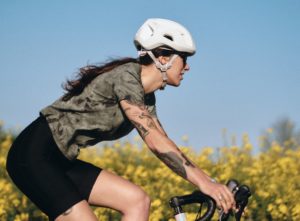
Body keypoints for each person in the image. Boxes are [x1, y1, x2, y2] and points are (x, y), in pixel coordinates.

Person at [6, 18, 235, 221]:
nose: (187, 66)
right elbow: (154, 140)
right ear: (163, 57)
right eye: (183, 58)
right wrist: (205, 184)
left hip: (60, 160)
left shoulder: (147, 98)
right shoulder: (127, 76)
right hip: (33, 156)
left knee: (137, 201)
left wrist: (210, 182)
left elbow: (165, 144)